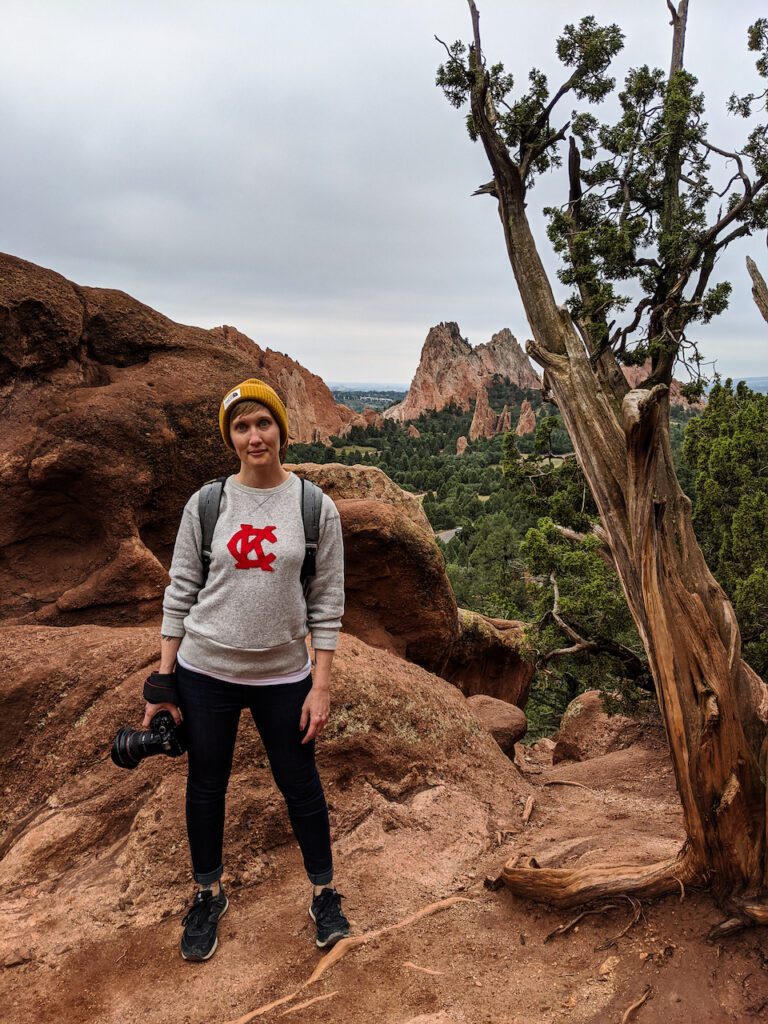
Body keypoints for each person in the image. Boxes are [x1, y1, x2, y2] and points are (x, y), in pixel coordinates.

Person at [141, 378, 349, 962]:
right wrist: (163, 680)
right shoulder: (207, 503)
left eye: (263, 423)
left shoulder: (314, 507)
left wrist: (321, 683)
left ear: (282, 428)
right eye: (241, 426)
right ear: (229, 437)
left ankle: (324, 893)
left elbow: (327, 601)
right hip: (206, 669)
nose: (253, 436)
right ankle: (207, 893)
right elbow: (180, 590)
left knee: (300, 784)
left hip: (284, 674)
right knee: (206, 783)